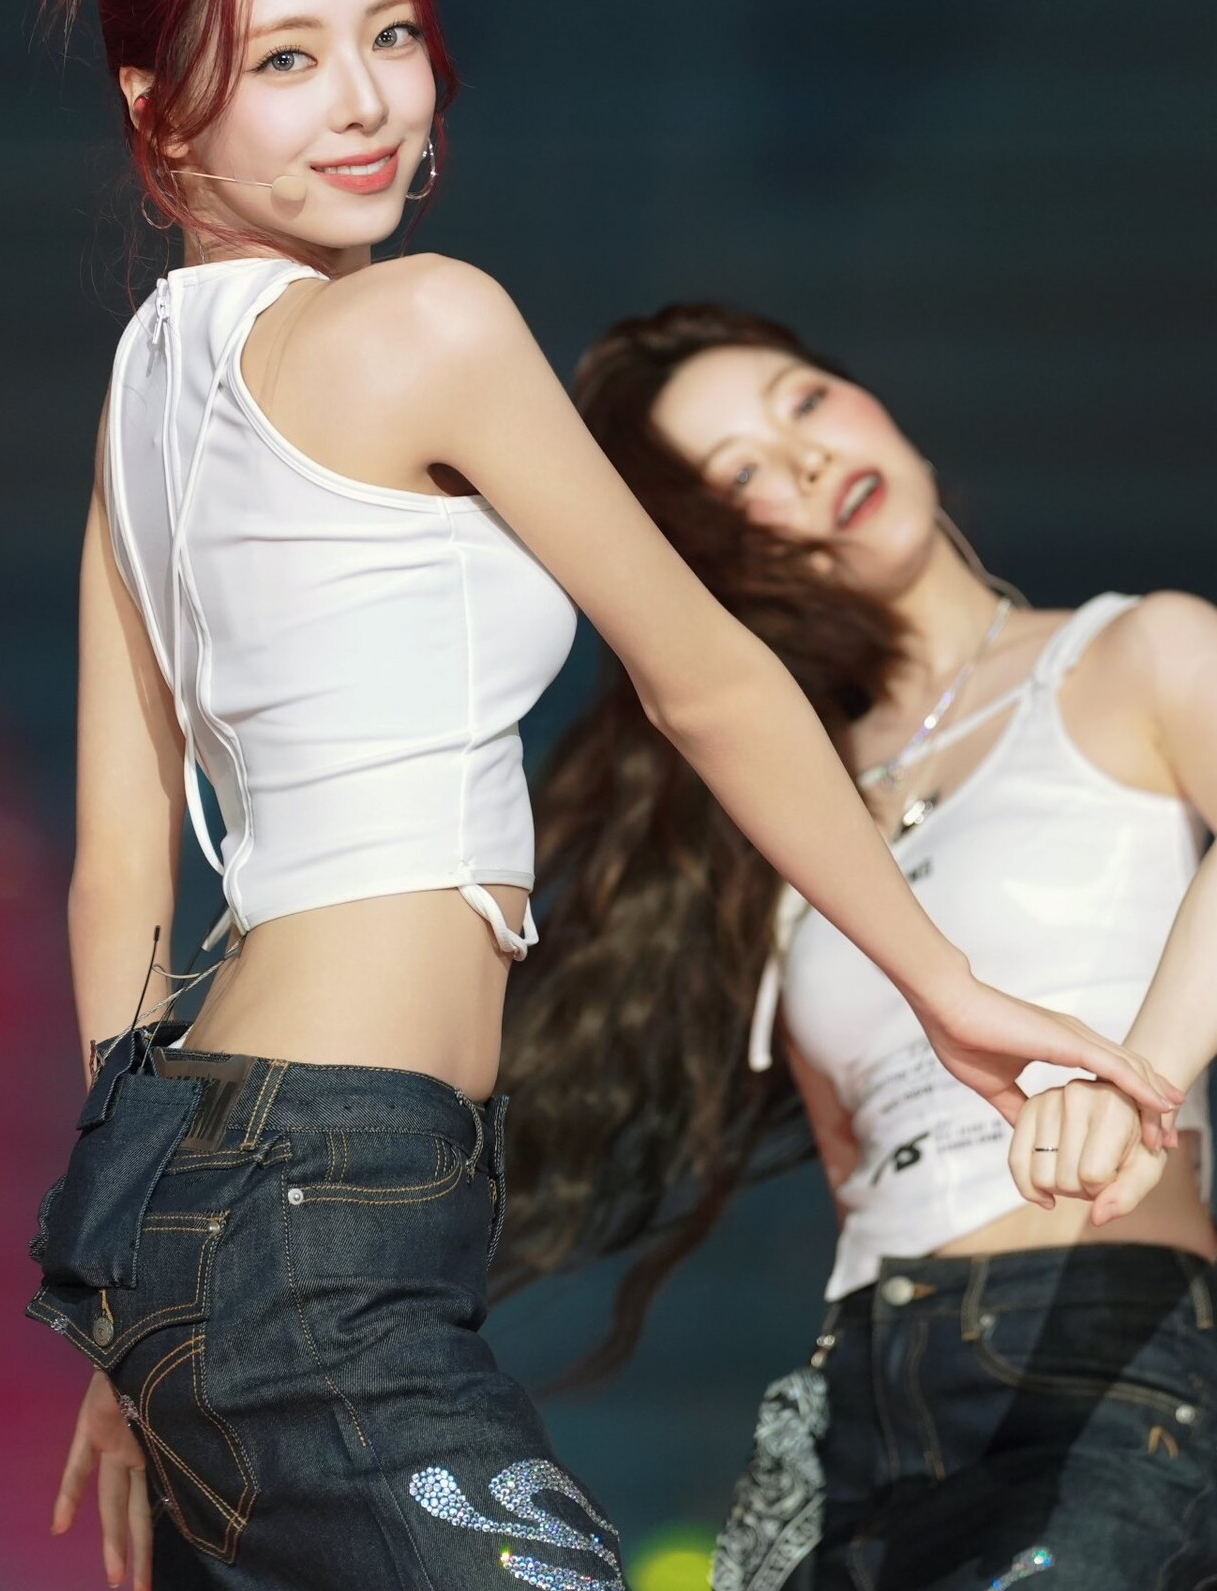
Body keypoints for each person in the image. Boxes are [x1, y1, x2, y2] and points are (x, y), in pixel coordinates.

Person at [23, 0, 1181, 1591]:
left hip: (227, 1207)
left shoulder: (141, 392)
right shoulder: (425, 321)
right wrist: (941, 983)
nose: (369, 102)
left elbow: (118, 870)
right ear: (159, 110)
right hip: (326, 1205)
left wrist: (129, 1293)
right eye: (287, 62)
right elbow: (703, 677)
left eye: (392, 36)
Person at [502, 302, 1217, 1589]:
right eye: (743, 475)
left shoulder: (1135, 650)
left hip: (1098, 1350)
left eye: (805, 402)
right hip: (862, 1398)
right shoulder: (788, 815)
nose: (807, 458)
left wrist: (1139, 1078)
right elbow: (851, 1161)